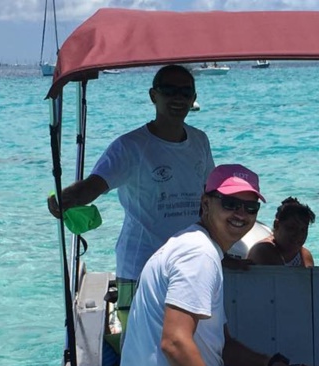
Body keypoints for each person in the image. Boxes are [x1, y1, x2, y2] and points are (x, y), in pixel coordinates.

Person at [119, 164, 319, 366]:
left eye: (250, 207)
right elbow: (174, 343)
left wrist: (271, 364)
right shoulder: (199, 255)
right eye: (229, 203)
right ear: (206, 203)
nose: (240, 213)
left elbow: (223, 347)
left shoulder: (190, 243)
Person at [47, 64, 215, 331]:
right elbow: (94, 185)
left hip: (190, 262)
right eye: (169, 91)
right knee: (137, 342)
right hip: (140, 265)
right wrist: (64, 199)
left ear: (193, 98)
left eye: (185, 92)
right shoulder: (129, 146)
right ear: (153, 96)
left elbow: (211, 195)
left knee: (191, 340)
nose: (178, 98)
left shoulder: (200, 141)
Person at [247, 197, 316, 267]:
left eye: (303, 230)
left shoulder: (305, 256)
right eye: (291, 228)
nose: (299, 235)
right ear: (276, 225)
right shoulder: (262, 251)